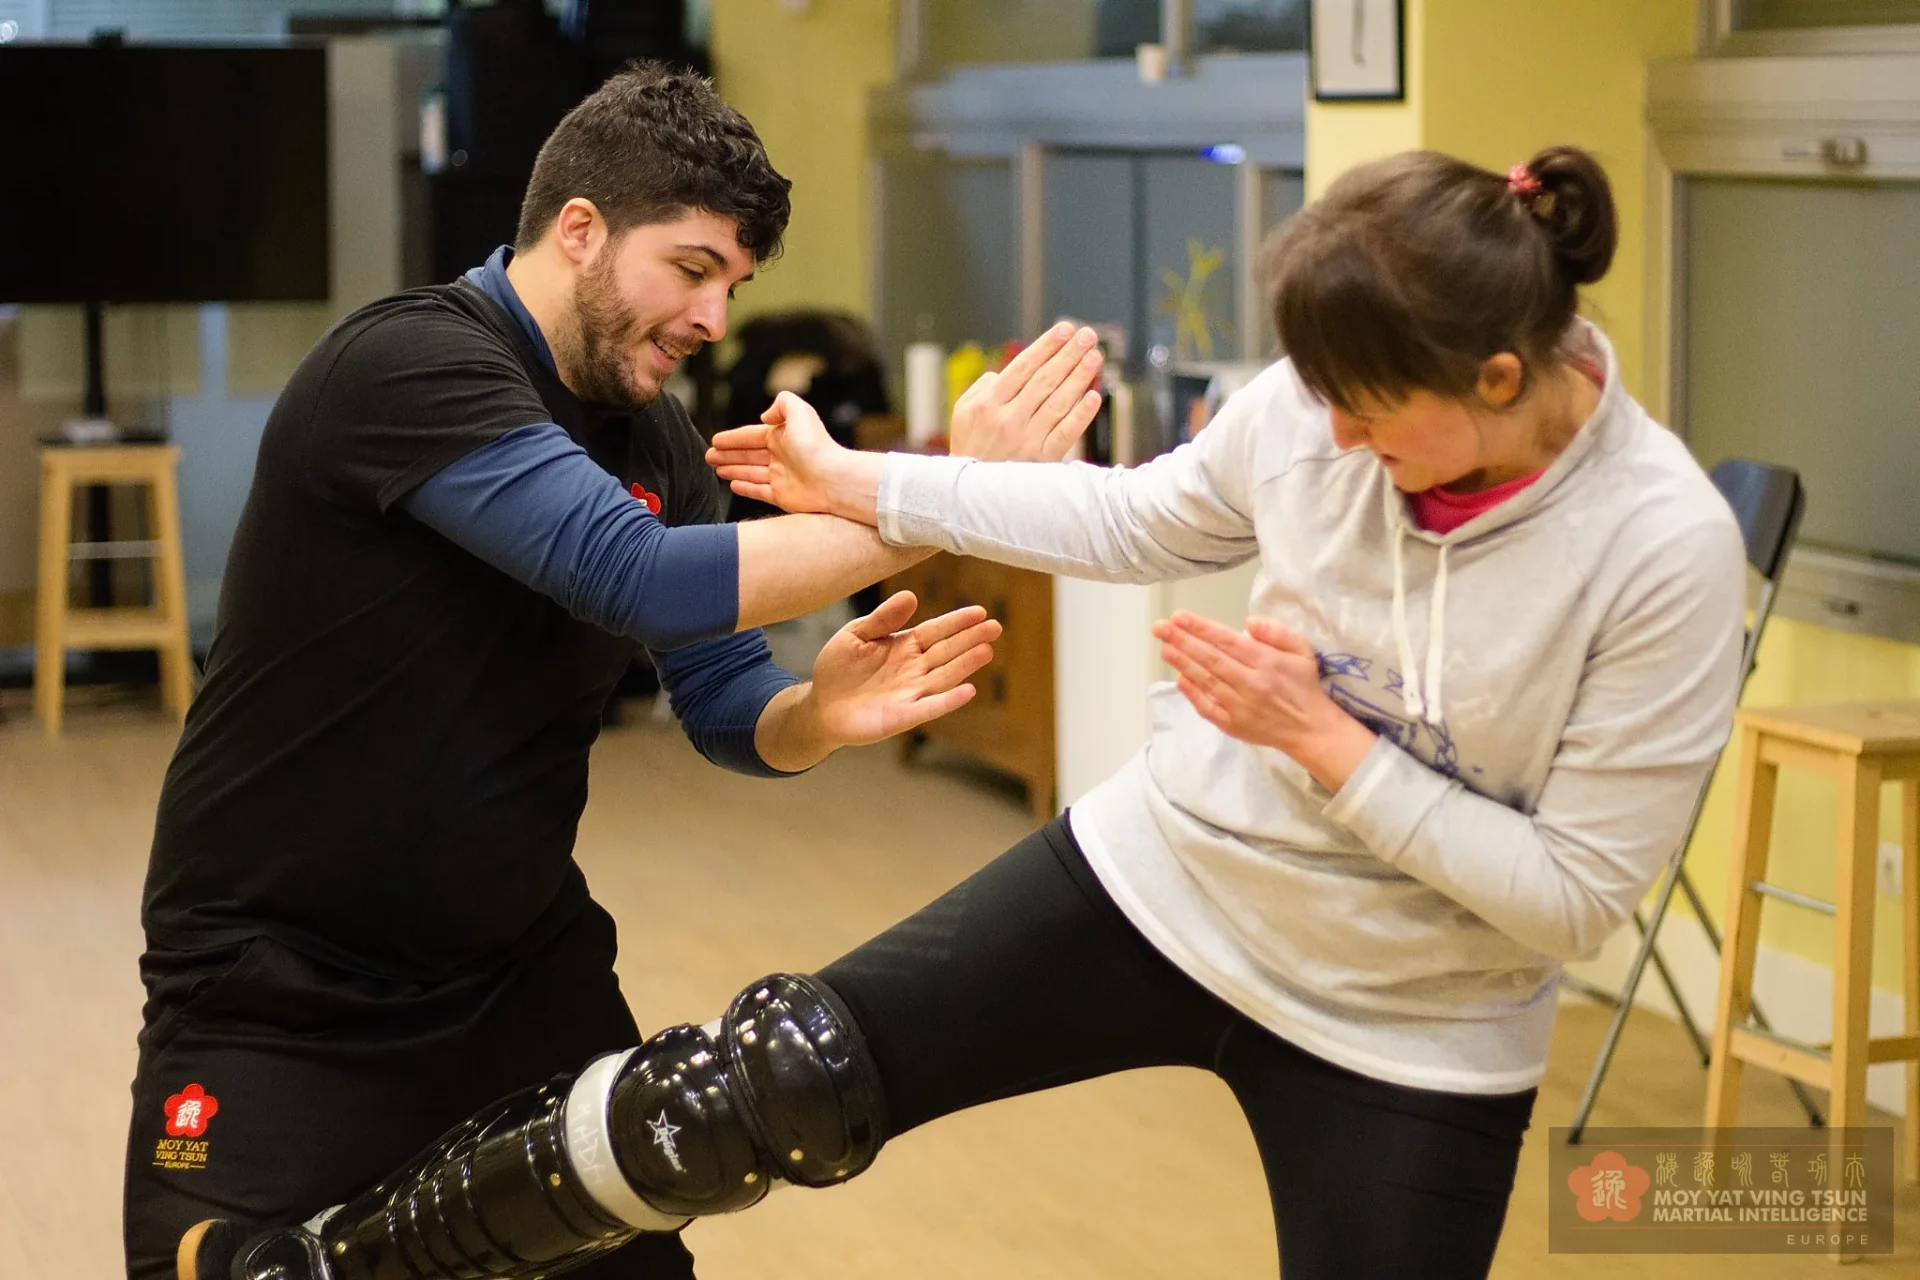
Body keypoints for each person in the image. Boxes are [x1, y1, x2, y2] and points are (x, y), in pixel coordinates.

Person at [178, 146, 1745, 1280]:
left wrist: (1329, 747)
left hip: (1414, 1019)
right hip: (1162, 883)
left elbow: (1581, 902)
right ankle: (331, 1269)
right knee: (762, 1080)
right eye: (697, 273)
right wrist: (881, 482)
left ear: (1494, 372)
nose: (1326, 438)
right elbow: (1136, 520)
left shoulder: (1661, 551)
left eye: (1367, 413)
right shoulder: (412, 363)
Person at [130, 61, 1105, 1280]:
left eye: (732, 286)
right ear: (580, 229)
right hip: (283, 983)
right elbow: (631, 573)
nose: (712, 317)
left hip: (516, 972)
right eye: (691, 269)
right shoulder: (409, 363)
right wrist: (943, 502)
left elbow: (723, 702)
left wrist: (819, 712)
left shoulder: (657, 437)